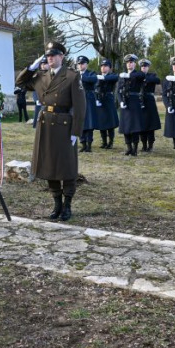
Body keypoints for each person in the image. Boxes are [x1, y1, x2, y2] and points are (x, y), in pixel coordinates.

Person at [16, 41, 86, 221]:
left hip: (64, 126)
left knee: (67, 166)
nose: (50, 58)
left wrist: (75, 132)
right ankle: (57, 203)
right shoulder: (40, 76)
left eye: (54, 55)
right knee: (49, 165)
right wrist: (31, 67)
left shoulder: (71, 76)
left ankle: (68, 204)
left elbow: (80, 106)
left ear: (61, 56)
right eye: (48, 56)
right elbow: (20, 82)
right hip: (45, 124)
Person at [117, 54, 145, 155]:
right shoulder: (122, 76)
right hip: (125, 102)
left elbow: (142, 75)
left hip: (134, 102)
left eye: (131, 62)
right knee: (126, 126)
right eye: (128, 62)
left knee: (135, 126)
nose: (129, 64)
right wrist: (120, 101)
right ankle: (128, 147)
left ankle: (135, 148)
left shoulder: (138, 74)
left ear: (135, 64)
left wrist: (129, 75)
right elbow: (118, 91)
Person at [94, 59, 119, 148]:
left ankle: (110, 142)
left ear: (109, 68)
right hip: (100, 100)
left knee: (110, 122)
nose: (103, 67)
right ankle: (104, 142)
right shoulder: (97, 77)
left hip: (108, 100)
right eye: (102, 66)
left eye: (105, 66)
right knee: (102, 122)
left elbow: (115, 78)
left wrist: (103, 77)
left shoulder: (112, 75)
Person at [138, 59, 161, 152]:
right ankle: (143, 144)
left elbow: (157, 80)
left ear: (148, 67)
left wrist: (145, 78)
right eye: (142, 66)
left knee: (150, 125)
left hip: (149, 101)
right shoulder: (137, 76)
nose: (144, 68)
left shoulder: (152, 75)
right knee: (142, 124)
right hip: (140, 101)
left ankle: (150, 145)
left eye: (145, 66)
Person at [77, 55, 99, 152]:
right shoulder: (76, 74)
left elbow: (93, 80)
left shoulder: (91, 73)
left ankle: (89, 144)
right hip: (78, 100)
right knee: (80, 122)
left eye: (82, 64)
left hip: (89, 99)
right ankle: (83, 143)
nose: (80, 66)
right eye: (79, 64)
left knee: (89, 123)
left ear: (86, 64)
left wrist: (81, 76)